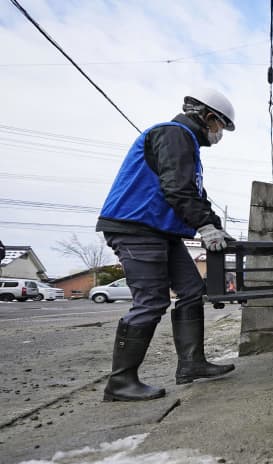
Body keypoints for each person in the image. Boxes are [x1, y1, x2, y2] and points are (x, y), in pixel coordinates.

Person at [96, 88, 237, 402]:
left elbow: (194, 195)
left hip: (162, 231)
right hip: (137, 227)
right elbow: (177, 189)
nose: (218, 134)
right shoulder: (173, 134)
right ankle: (120, 382)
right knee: (151, 301)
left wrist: (215, 226)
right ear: (209, 117)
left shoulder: (184, 142)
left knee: (191, 290)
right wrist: (204, 226)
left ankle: (191, 364)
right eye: (219, 127)